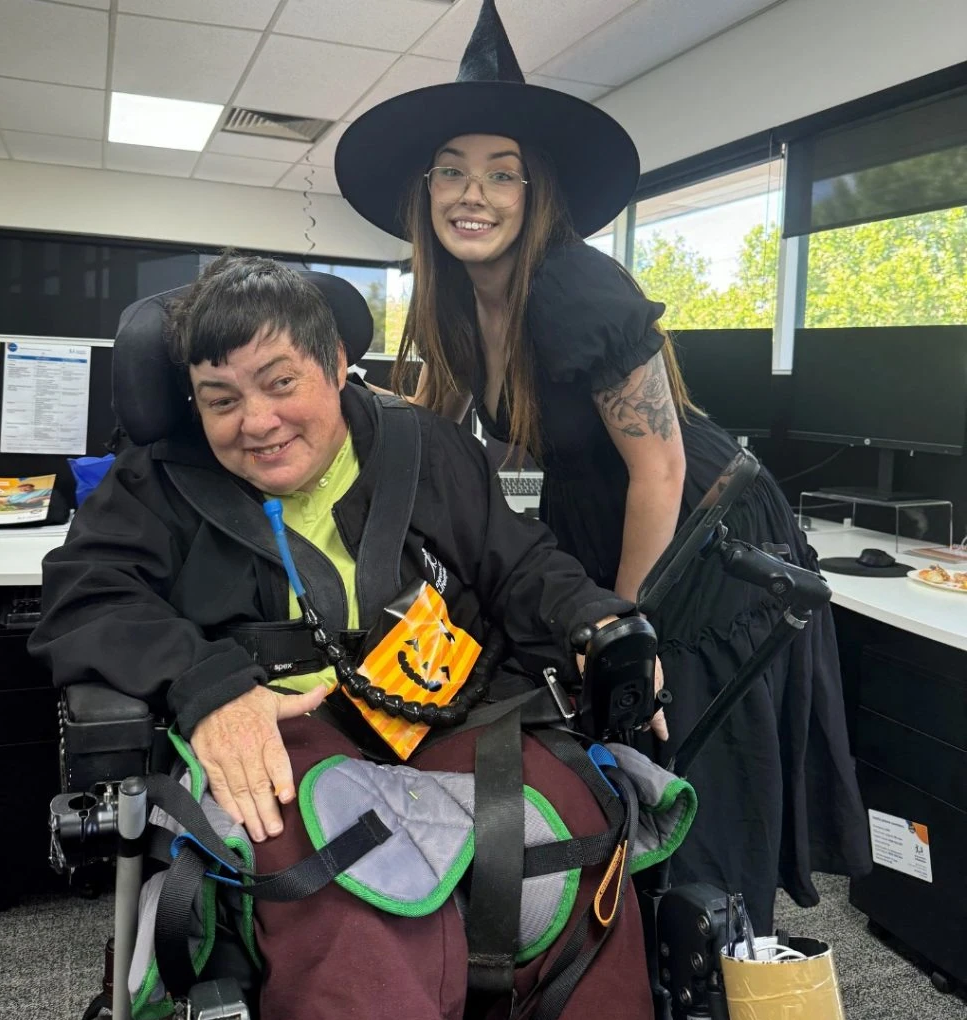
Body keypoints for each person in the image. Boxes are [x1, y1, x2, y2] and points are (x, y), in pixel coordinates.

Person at [335, 0, 870, 932]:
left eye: (503, 174)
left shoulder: (576, 289)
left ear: (534, 192)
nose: (476, 193)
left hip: (701, 528)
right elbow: (440, 425)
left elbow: (659, 468)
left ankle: (715, 950)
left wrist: (623, 632)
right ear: (424, 192)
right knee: (606, 747)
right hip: (610, 516)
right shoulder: (455, 300)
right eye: (453, 173)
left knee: (670, 741)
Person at [29, 254, 663, 1020]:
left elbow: (519, 562)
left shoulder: (426, 447)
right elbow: (87, 593)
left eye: (280, 382)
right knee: (350, 895)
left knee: (576, 840)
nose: (255, 423)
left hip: (451, 708)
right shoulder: (154, 483)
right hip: (287, 733)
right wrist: (208, 687)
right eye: (219, 399)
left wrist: (595, 621)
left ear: (336, 365)